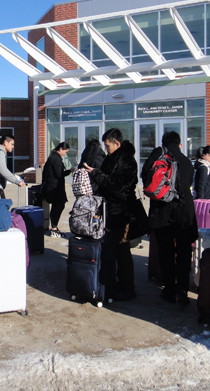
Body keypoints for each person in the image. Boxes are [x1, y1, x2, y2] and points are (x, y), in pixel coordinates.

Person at [141, 131, 198, 306]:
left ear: (163, 143)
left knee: (166, 252)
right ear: (180, 144)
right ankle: (182, 289)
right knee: (184, 252)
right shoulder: (187, 161)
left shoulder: (159, 156)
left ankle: (169, 289)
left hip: (162, 211)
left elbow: (145, 177)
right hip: (184, 212)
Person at [84, 128, 138, 301]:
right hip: (109, 211)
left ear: (117, 143)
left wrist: (96, 173)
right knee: (111, 249)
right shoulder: (111, 158)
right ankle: (113, 282)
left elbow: (117, 186)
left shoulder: (127, 161)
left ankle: (128, 287)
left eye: (107, 146)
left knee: (122, 250)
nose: (106, 149)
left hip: (121, 212)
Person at [41, 142, 75, 237]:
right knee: (58, 206)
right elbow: (59, 174)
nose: (65, 154)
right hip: (55, 188)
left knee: (58, 206)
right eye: (65, 152)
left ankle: (54, 226)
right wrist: (69, 171)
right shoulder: (55, 159)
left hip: (53, 186)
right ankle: (54, 227)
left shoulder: (52, 157)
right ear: (60, 149)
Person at [0, 134, 25, 198]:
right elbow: (3, 170)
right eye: (12, 144)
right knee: (1, 204)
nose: (13, 146)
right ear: (5, 143)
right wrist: (17, 181)